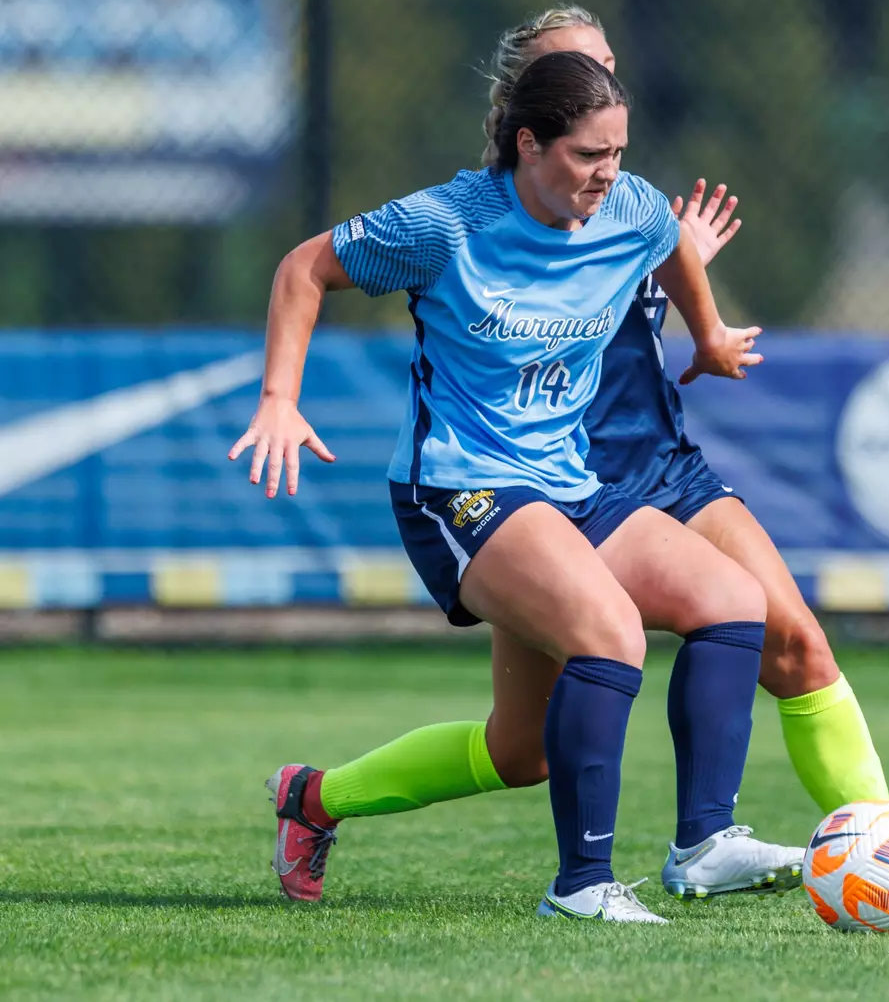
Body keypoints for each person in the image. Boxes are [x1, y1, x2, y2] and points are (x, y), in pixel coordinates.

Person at [231, 51, 802, 923]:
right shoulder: (444, 225)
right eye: (587, 155)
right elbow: (304, 268)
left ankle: (703, 845)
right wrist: (280, 397)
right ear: (528, 145)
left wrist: (711, 332)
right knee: (610, 634)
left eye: (618, 153)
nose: (607, 174)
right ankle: (581, 886)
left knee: (715, 613)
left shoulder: (631, 207)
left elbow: (669, 243)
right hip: (459, 488)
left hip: (566, 485)